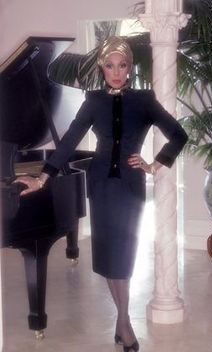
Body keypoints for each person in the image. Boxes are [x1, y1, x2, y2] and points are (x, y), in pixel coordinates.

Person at [16, 36, 188, 352]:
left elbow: (179, 135)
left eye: (122, 65)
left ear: (130, 67)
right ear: (102, 68)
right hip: (100, 186)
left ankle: (123, 322)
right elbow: (68, 142)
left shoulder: (145, 100)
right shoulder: (93, 101)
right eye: (110, 66)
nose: (116, 71)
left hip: (130, 187)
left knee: (124, 255)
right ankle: (124, 324)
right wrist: (43, 178)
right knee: (109, 254)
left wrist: (154, 164)